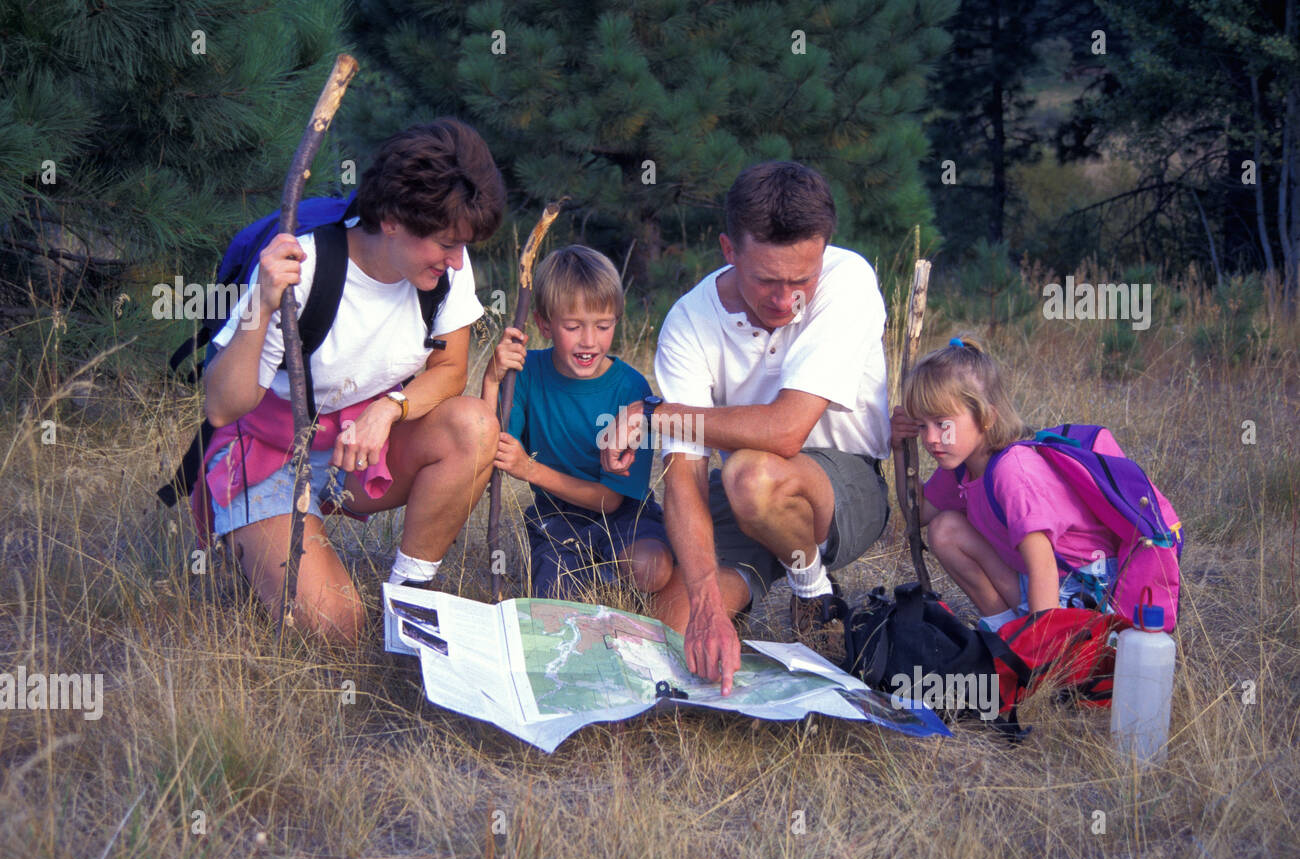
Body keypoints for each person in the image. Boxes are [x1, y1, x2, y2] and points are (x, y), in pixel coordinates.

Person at [200, 119, 506, 643]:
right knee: (337, 628)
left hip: (357, 450)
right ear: (391, 220)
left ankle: (408, 600)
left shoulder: (447, 269)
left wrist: (389, 409)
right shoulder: (307, 265)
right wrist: (261, 303)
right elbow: (223, 407)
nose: (458, 259)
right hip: (265, 455)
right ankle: (253, 539)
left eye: (464, 245)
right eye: (446, 243)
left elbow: (452, 370)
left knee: (475, 427)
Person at [602, 161, 892, 694]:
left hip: (843, 485)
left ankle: (813, 596)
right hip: (742, 492)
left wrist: (655, 415)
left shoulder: (848, 280)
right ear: (729, 250)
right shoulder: (690, 321)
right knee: (668, 637)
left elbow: (786, 431)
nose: (785, 301)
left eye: (801, 279)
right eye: (766, 280)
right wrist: (708, 606)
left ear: (823, 251)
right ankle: (734, 612)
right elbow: (684, 474)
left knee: (752, 476)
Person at [889, 336, 1121, 631]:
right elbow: (918, 514)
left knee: (1043, 646)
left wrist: (1044, 654)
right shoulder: (961, 465)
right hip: (1040, 583)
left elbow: (1043, 566)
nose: (931, 438)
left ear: (987, 416)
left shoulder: (1013, 471)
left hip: (1083, 591)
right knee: (944, 529)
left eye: (942, 424)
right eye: (921, 426)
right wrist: (899, 449)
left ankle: (1035, 647)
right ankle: (1006, 633)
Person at [482, 245, 673, 600]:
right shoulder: (524, 376)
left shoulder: (632, 390)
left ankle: (606, 586)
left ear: (617, 319)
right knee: (551, 597)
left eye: (603, 326)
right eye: (573, 326)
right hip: (556, 512)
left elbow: (612, 501)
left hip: (624, 512)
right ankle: (584, 582)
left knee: (652, 567)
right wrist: (492, 381)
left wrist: (530, 470)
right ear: (544, 324)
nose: (589, 341)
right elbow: (495, 445)